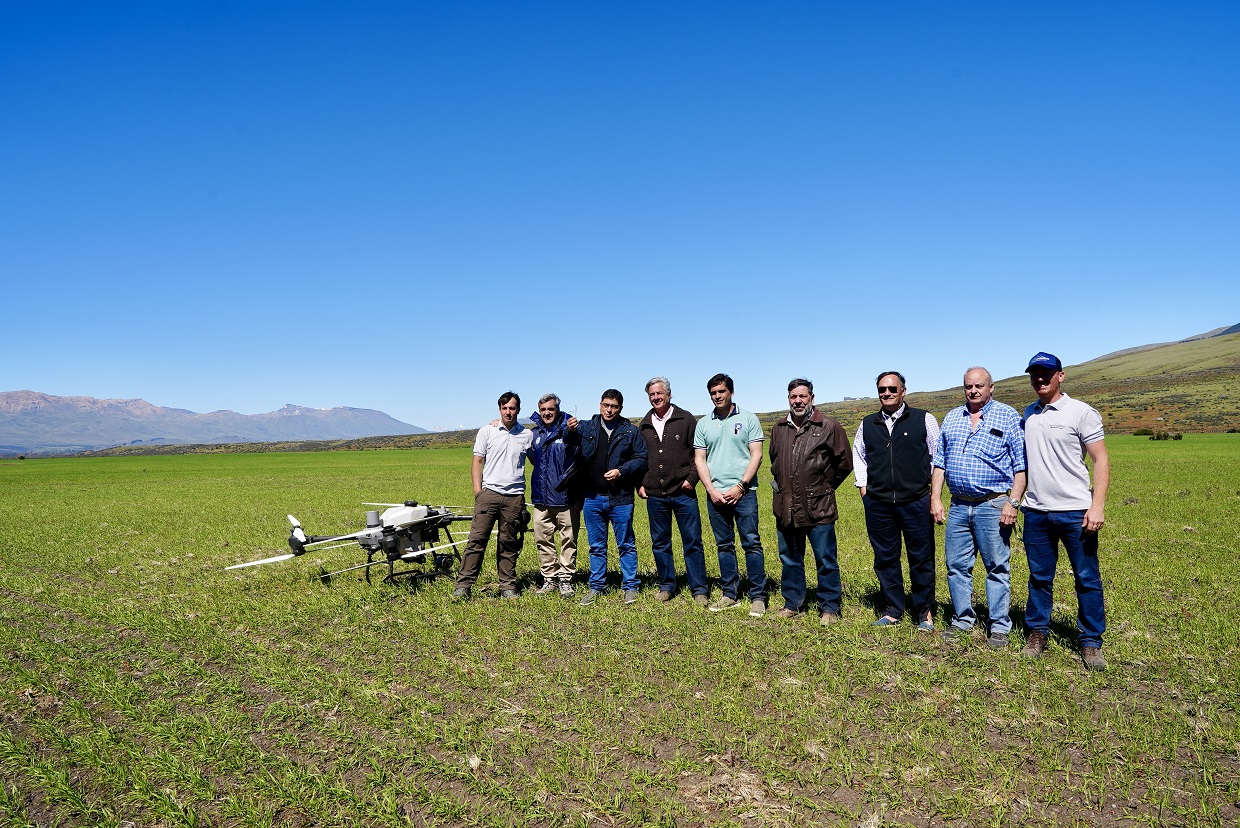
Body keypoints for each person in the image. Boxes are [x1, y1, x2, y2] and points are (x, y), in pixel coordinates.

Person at [1019, 352, 1111, 671]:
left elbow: (1100, 460)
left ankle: (1090, 642)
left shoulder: (1081, 412)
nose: (1040, 378)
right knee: (1039, 577)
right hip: (1036, 512)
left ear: (1061, 375)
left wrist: (1096, 505)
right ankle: (1037, 633)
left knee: (1086, 578)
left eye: (1046, 373)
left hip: (1075, 511)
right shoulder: (1028, 414)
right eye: (1035, 374)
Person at [931, 367, 1026, 648]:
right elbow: (940, 463)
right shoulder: (952, 417)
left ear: (991, 387)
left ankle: (999, 626)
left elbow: (1021, 466)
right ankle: (962, 619)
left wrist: (1013, 502)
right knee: (956, 566)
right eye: (968, 386)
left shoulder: (1008, 416)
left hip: (993, 504)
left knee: (996, 566)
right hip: (959, 505)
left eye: (979, 386)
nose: (973, 390)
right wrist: (935, 498)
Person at [853, 371, 940, 630]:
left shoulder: (924, 419)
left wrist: (933, 495)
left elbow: (937, 457)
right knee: (885, 557)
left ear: (903, 391)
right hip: (878, 503)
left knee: (921, 557)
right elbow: (859, 455)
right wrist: (864, 489)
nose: (887, 393)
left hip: (915, 501)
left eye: (892, 389)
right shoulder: (868, 423)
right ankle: (892, 609)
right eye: (882, 389)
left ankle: (924, 611)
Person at [769, 378, 853, 625]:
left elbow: (844, 463)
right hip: (786, 505)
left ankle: (829, 607)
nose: (798, 401)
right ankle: (792, 603)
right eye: (793, 396)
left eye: (802, 396)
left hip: (819, 507)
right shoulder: (778, 428)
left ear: (812, 398)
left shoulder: (828, 426)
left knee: (825, 558)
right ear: (788, 399)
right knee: (790, 557)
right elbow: (775, 463)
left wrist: (823, 488)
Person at [693, 373, 768, 617]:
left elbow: (756, 454)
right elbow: (699, 459)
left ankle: (758, 596)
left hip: (744, 494)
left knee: (751, 543)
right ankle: (729, 594)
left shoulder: (748, 419)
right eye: (713, 393)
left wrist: (741, 486)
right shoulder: (704, 423)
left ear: (731, 392)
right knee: (724, 545)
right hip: (715, 495)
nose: (717, 396)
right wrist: (711, 490)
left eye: (721, 392)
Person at [565, 389, 648, 606]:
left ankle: (630, 586)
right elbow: (568, 441)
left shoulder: (630, 431)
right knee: (596, 546)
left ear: (620, 408)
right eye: (605, 405)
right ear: (599, 405)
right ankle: (596, 587)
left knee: (626, 544)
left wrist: (622, 471)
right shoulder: (586, 427)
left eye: (613, 406)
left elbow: (641, 458)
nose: (609, 410)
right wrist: (570, 430)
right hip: (592, 497)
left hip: (620, 497)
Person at [454, 391, 534, 600]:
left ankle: (507, 586)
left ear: (518, 410)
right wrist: (478, 491)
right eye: (505, 408)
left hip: (514, 497)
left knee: (509, 543)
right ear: (499, 409)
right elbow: (477, 461)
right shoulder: (487, 431)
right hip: (488, 494)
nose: (509, 412)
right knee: (477, 540)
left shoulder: (526, 435)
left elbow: (538, 458)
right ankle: (463, 586)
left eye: (512, 408)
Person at [637, 377, 708, 606]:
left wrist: (692, 479)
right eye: (652, 395)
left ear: (669, 394)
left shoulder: (685, 419)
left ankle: (699, 589)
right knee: (660, 543)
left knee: (693, 542)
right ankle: (667, 585)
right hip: (655, 495)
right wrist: (639, 483)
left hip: (683, 493)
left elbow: (699, 452)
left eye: (659, 394)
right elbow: (639, 457)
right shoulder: (645, 423)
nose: (656, 398)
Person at [527, 393, 580, 598]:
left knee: (569, 539)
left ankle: (566, 579)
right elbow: (533, 458)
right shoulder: (534, 433)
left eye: (551, 409)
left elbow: (577, 454)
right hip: (541, 497)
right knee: (543, 539)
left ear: (557, 410)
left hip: (565, 496)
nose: (547, 413)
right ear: (539, 411)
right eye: (543, 410)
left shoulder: (570, 429)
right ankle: (549, 578)